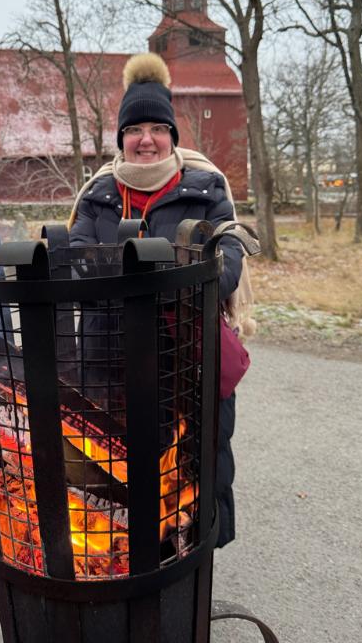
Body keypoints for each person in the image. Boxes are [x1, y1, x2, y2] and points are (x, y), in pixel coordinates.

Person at [68, 52, 253, 549]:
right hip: (110, 359)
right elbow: (76, 258)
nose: (145, 139)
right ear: (121, 139)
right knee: (115, 464)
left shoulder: (206, 190)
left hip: (185, 358)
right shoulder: (98, 196)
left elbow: (227, 257)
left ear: (172, 135)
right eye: (134, 129)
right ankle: (125, 554)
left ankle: (196, 557)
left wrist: (170, 277)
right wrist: (148, 272)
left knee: (197, 457)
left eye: (156, 128)